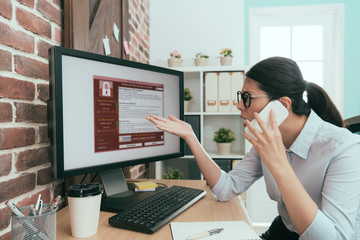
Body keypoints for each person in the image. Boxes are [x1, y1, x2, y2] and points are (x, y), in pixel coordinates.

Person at [146, 57, 360, 240]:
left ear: (283, 105)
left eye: (246, 98)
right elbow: (226, 188)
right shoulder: (264, 141)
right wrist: (191, 137)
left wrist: (278, 162)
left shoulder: (344, 149)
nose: (239, 105)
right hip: (282, 231)